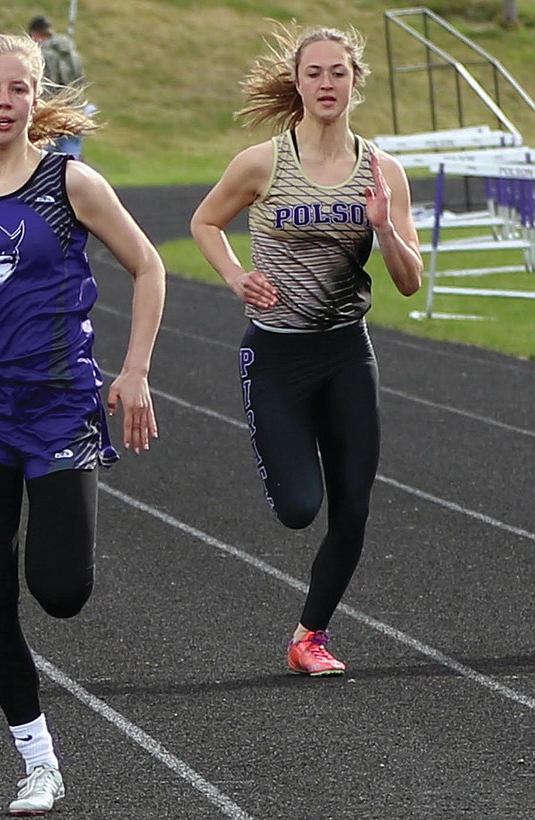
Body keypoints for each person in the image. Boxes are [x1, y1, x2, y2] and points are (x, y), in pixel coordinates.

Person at [0, 33, 165, 815]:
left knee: (61, 590)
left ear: (34, 97)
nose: (5, 102)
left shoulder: (71, 182)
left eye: (19, 89)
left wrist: (136, 371)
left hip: (59, 405)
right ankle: (37, 759)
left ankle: (58, 565)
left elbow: (147, 266)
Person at [189, 24, 422, 677]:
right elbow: (205, 221)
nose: (326, 84)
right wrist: (236, 276)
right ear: (298, 82)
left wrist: (383, 230)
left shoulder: (383, 172)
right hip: (278, 355)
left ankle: (309, 636)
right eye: (315, 73)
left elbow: (409, 280)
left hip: (348, 351)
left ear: (354, 83)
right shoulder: (263, 162)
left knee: (354, 506)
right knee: (299, 509)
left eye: (337, 73)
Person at [27, 15, 86, 158]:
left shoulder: (42, 55)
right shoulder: (73, 55)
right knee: (71, 162)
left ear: (35, 34)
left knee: (45, 164)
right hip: (75, 113)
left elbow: (44, 87)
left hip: (50, 115)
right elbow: (81, 81)